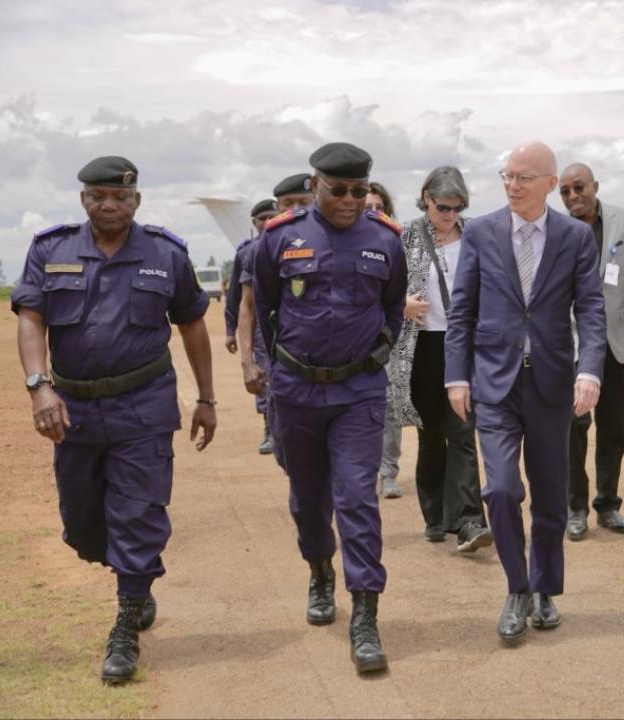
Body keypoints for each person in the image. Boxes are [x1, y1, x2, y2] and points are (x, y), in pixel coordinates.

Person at [11, 156, 217, 684]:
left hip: (142, 405)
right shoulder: (50, 249)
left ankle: (125, 621)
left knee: (137, 512)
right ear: (83, 199)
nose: (109, 205)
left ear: (136, 200)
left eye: (119, 197)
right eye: (98, 196)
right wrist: (39, 387)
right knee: (83, 526)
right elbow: (32, 317)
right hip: (73, 409)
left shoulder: (165, 254)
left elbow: (192, 323)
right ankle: (134, 575)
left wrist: (206, 398)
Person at [253, 143, 407, 674]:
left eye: (358, 191)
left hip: (358, 391)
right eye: (337, 189)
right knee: (309, 499)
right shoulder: (278, 238)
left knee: (357, 498)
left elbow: (393, 306)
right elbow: (264, 310)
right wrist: (271, 372)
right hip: (296, 390)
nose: (348, 200)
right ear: (315, 185)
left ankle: (365, 613)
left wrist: (380, 348)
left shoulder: (386, 238)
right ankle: (319, 568)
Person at [444, 141, 605, 642]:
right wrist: (456, 375)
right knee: (501, 489)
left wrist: (590, 370)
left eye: (523, 178)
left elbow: (592, 309)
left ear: (549, 184)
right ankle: (516, 586)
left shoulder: (576, 237)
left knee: (552, 495)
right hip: (494, 382)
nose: (512, 186)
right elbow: (462, 308)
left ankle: (545, 590)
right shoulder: (482, 232)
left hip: (553, 382)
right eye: (507, 176)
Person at [389, 167, 493, 550]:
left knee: (463, 431)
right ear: (426, 199)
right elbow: (380, 287)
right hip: (421, 349)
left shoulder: (476, 236)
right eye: (442, 206)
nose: (449, 213)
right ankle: (435, 517)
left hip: (464, 346)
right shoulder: (405, 236)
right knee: (431, 435)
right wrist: (401, 304)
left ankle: (468, 519)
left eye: (456, 206)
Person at [557, 162, 624, 539]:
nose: (574, 196)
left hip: (617, 344)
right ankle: (575, 508)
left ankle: (608, 505)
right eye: (565, 191)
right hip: (573, 346)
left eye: (579, 187)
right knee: (573, 429)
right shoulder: (556, 232)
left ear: (595, 186)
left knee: (613, 431)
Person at [237, 175, 316, 456]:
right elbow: (247, 307)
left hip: (334, 358)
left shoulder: (342, 239)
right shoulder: (260, 249)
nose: (296, 209)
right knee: (293, 453)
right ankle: (271, 429)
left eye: (304, 202)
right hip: (281, 350)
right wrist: (247, 361)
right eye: (288, 204)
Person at [225, 198, 278, 453]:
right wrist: (229, 330)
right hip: (259, 327)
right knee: (264, 374)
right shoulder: (246, 252)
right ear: (254, 223)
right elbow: (237, 297)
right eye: (261, 219)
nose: (267, 223)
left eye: (271, 216)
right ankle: (269, 427)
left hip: (288, 326)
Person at [364, 182, 405, 499]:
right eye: (368, 208)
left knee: (390, 406)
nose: (374, 214)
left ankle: (388, 471)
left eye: (380, 208)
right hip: (349, 343)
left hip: (386, 340)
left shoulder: (397, 244)